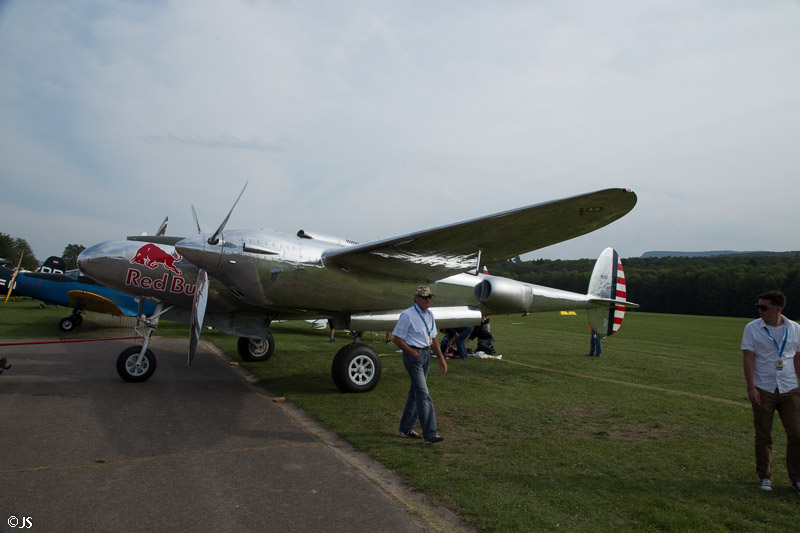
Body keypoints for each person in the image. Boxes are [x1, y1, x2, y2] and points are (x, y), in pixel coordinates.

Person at [741, 290, 800, 495]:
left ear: (778, 309)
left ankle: (797, 478)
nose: (760, 311)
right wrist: (751, 387)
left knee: (796, 433)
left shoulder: (795, 329)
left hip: (790, 388)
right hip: (763, 388)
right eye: (758, 307)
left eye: (764, 308)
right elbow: (748, 358)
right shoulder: (752, 328)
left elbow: (797, 359)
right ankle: (765, 476)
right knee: (764, 435)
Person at [392, 285, 447, 444]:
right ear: (416, 298)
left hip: (426, 355)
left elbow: (434, 338)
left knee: (415, 394)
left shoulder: (430, 315)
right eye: (424, 297)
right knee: (423, 394)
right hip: (414, 356)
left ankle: (406, 429)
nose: (427, 300)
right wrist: (412, 353)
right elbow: (397, 339)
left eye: (429, 297)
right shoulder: (407, 315)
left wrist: (441, 358)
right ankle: (430, 434)